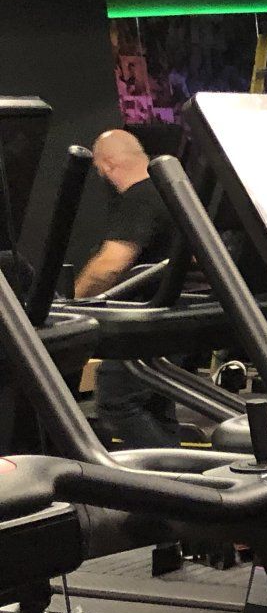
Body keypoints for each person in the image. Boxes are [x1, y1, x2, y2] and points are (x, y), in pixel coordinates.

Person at [75, 129, 179, 449]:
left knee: (116, 401)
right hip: (177, 318)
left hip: (146, 324)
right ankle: (185, 480)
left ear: (106, 166)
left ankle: (169, 487)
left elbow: (111, 264)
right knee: (155, 403)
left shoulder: (138, 199)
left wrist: (72, 301)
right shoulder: (170, 193)